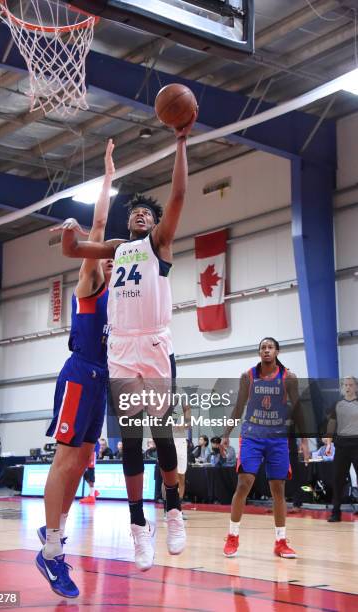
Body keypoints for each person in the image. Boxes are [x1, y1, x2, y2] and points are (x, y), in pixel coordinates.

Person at [61, 112, 196, 571]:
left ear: (156, 223)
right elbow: (74, 252)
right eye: (136, 210)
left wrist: (180, 142)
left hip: (154, 343)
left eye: (148, 212)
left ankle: (173, 511)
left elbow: (178, 194)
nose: (141, 213)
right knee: (132, 441)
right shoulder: (119, 248)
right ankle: (140, 526)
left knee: (161, 435)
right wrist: (69, 234)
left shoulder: (159, 244)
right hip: (120, 347)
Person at [35, 140, 115, 599]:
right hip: (80, 373)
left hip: (101, 379)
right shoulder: (91, 280)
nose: (107, 256)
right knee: (66, 460)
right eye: (101, 251)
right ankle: (50, 552)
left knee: (82, 460)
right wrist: (106, 176)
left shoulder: (119, 291)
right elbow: (99, 224)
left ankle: (56, 541)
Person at [221, 337, 309, 559]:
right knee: (244, 483)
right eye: (263, 348)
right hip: (252, 436)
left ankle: (280, 541)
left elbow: (298, 410)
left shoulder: (288, 377)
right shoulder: (248, 377)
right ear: (259, 353)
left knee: (278, 488)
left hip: (278, 438)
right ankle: (233, 536)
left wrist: (305, 440)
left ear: (277, 351)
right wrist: (225, 435)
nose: (267, 350)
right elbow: (238, 407)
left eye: (270, 347)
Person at [325, 376, 358, 522]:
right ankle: (336, 512)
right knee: (337, 480)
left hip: (357, 444)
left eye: (351, 385)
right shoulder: (337, 404)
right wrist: (328, 442)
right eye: (346, 385)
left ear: (356, 387)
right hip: (342, 446)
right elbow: (332, 423)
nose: (348, 387)